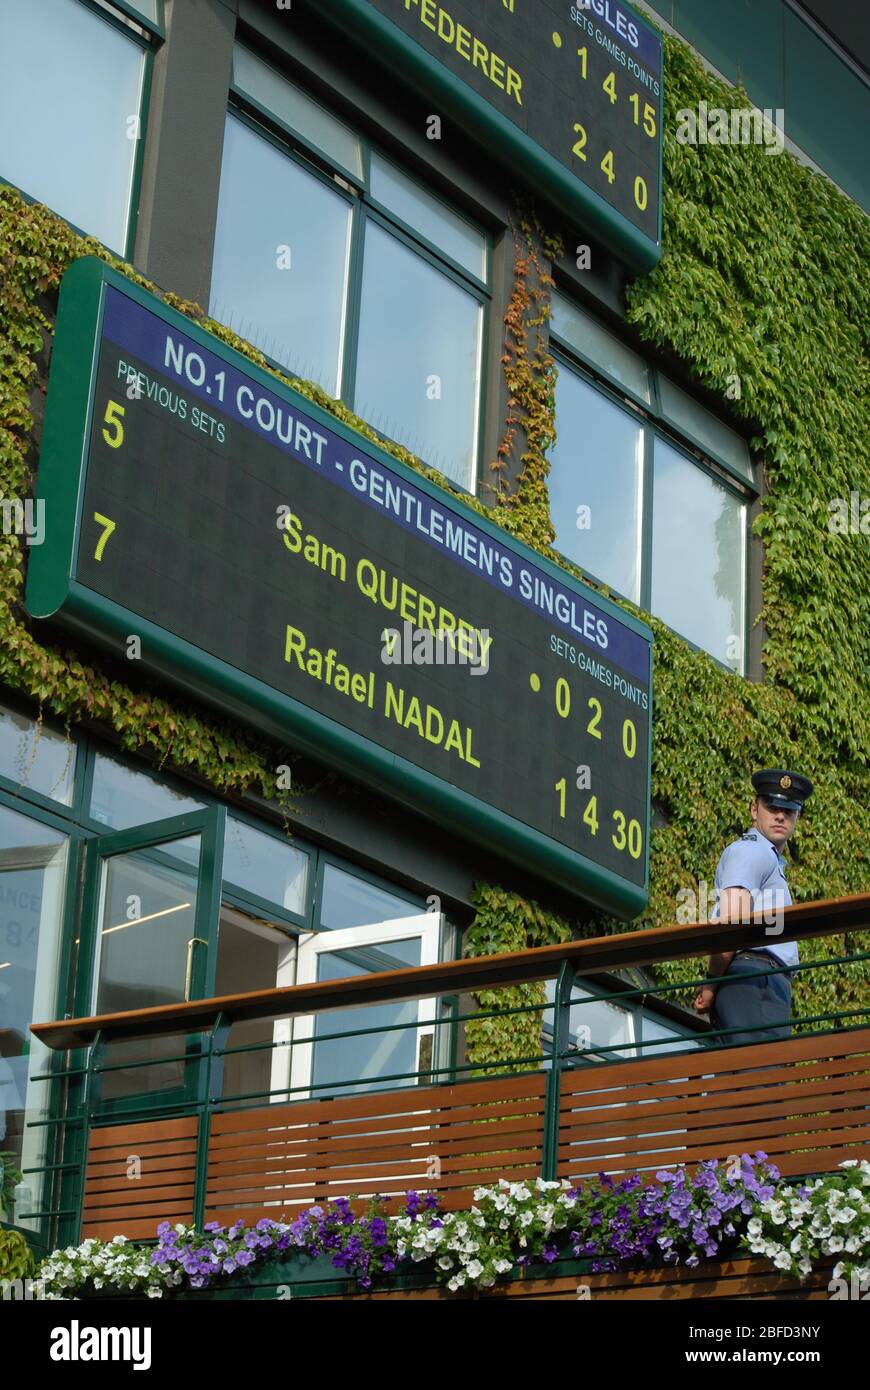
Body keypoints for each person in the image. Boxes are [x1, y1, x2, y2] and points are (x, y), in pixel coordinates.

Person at [694, 769, 814, 1044]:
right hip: (755, 979)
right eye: (772, 807)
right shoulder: (752, 851)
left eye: (789, 810)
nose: (780, 815)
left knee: (746, 1078)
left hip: (757, 980)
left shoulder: (767, 858)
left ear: (797, 817)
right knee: (760, 1073)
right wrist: (711, 985)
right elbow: (732, 925)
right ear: (754, 810)